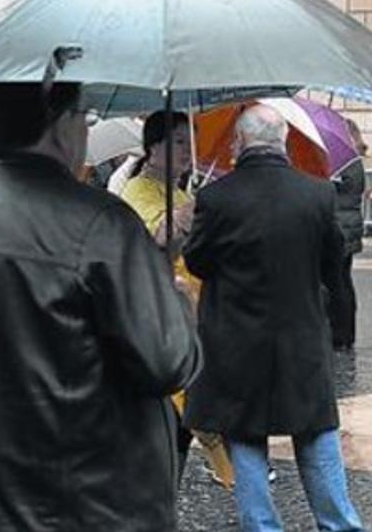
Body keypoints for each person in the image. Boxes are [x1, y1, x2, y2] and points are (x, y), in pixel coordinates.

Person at [0, 82, 201, 530]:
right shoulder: (102, 225)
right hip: (81, 505)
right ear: (59, 125)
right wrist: (178, 306)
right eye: (84, 117)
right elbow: (167, 362)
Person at [183, 105, 363, 532]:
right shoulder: (318, 194)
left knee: (244, 438)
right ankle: (340, 524)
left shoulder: (215, 198)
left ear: (239, 143)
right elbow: (333, 263)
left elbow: (198, 261)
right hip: (301, 336)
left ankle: (262, 527)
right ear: (282, 141)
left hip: (235, 340)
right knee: (316, 432)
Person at [118, 110, 234, 490]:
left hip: (190, 316)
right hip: (160, 319)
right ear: (153, 149)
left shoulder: (182, 192)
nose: (188, 150)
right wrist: (189, 212)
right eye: (179, 142)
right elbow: (158, 239)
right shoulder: (137, 191)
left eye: (191, 142)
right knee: (172, 420)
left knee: (185, 424)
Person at [330, 118, 368, 351]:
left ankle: (340, 333)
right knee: (344, 281)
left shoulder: (344, 164)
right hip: (350, 226)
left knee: (338, 283)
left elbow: (336, 194)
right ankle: (346, 333)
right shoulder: (355, 161)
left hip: (341, 227)